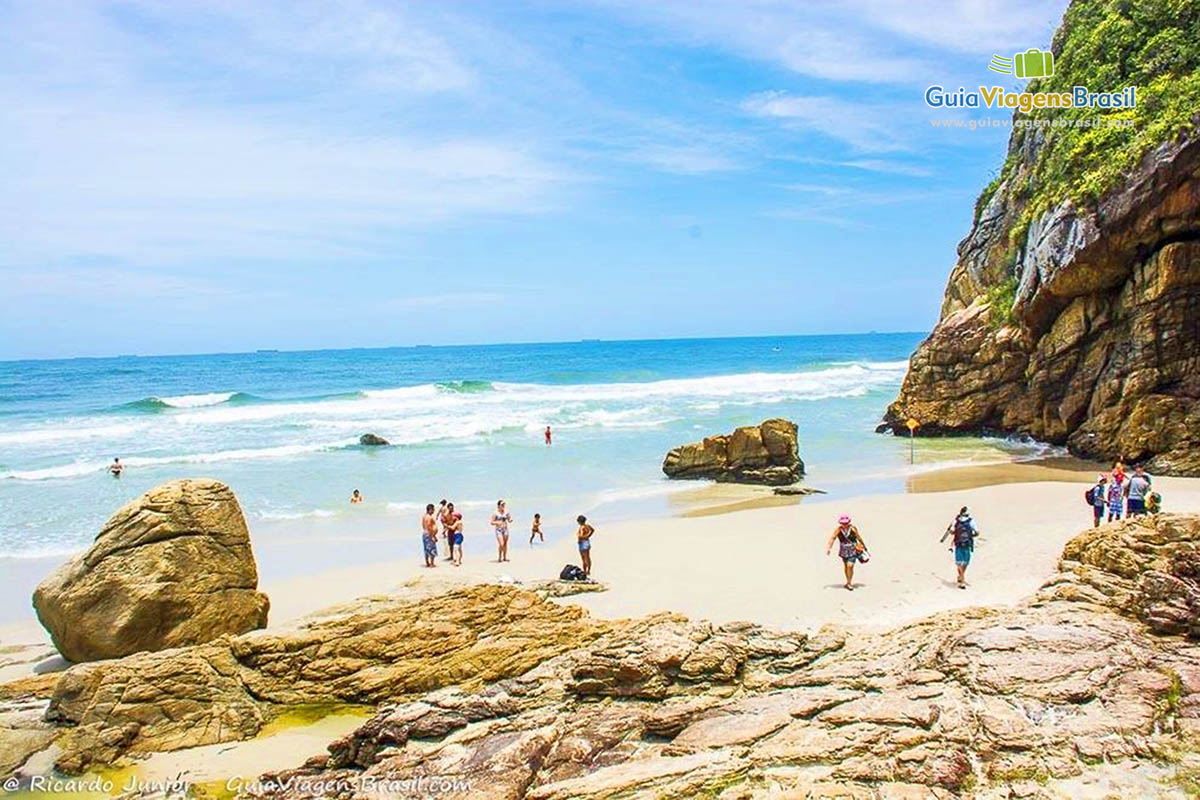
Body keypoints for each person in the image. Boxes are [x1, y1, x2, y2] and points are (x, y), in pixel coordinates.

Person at [940, 506, 978, 589]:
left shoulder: (956, 521)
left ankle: (961, 576)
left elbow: (952, 532)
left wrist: (953, 532)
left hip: (958, 543)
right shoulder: (971, 521)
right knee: (965, 562)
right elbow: (977, 532)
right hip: (967, 544)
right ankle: (962, 579)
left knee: (959, 562)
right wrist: (970, 535)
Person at [825, 515, 866, 591]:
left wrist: (864, 546)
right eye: (843, 523)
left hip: (853, 549)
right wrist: (829, 548)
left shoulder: (853, 528)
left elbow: (858, 537)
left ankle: (849, 583)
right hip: (844, 550)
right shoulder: (838, 530)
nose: (845, 524)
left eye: (846, 523)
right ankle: (848, 581)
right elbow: (833, 538)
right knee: (846, 566)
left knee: (850, 565)